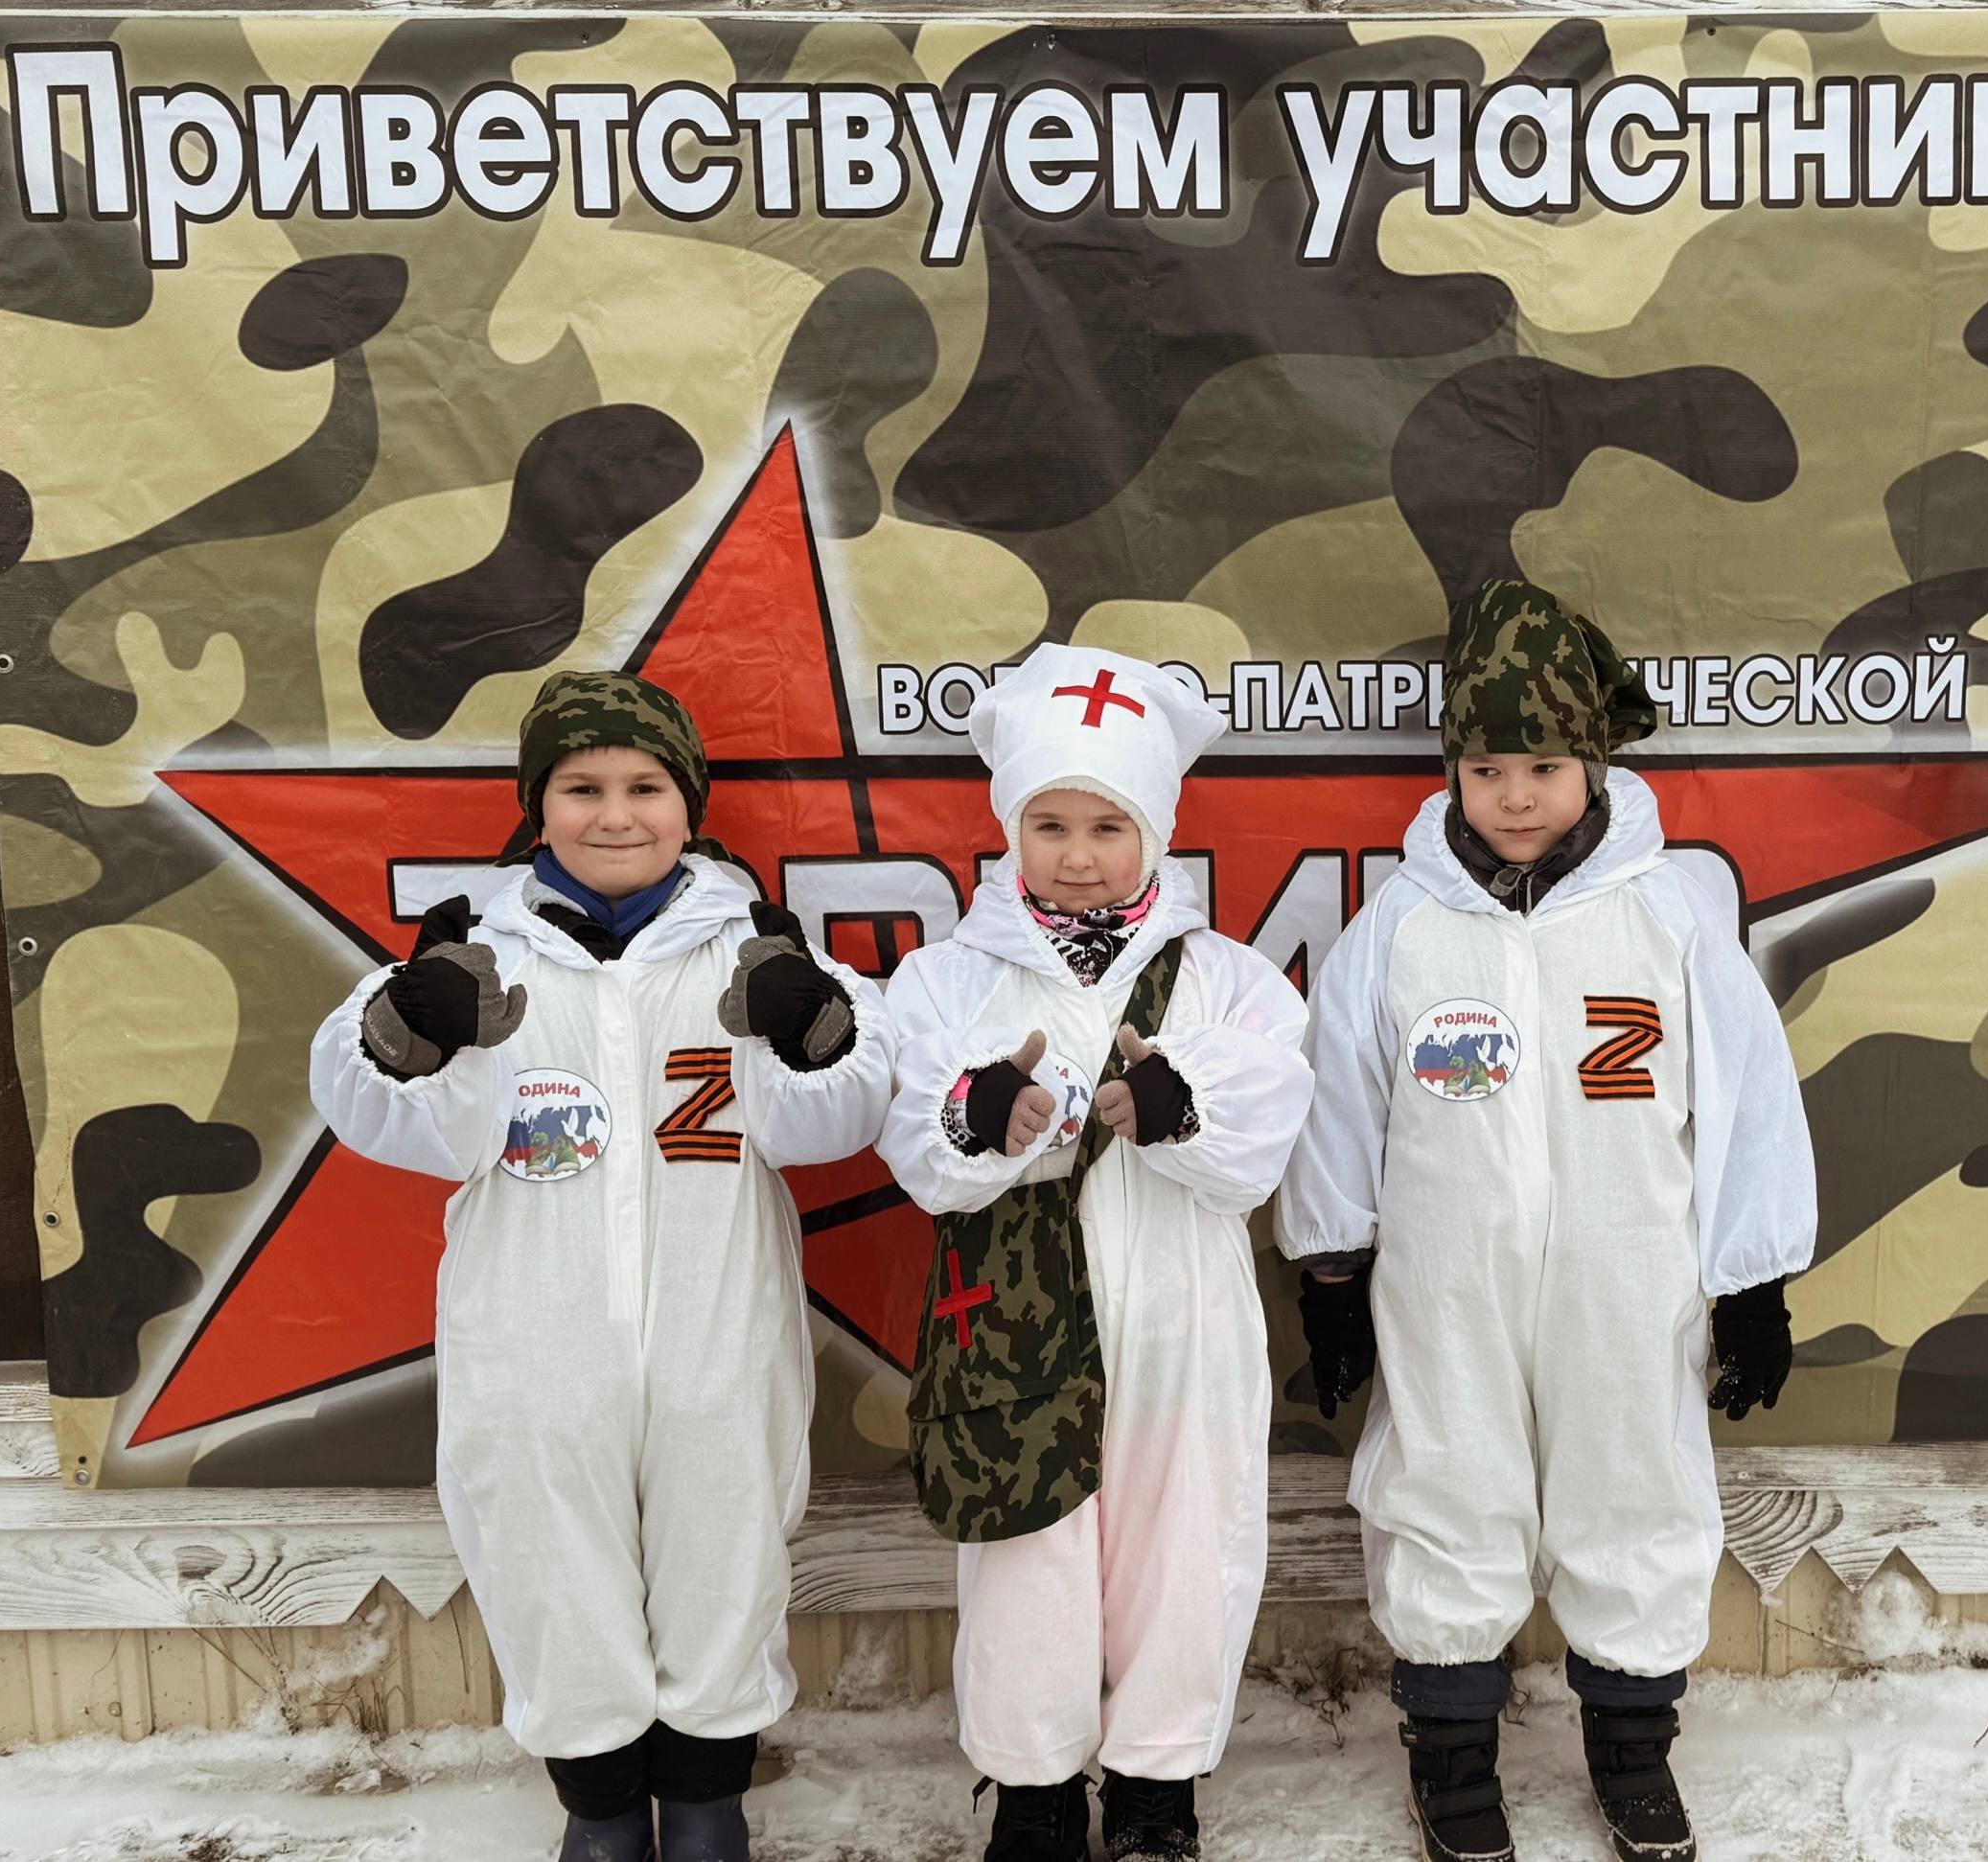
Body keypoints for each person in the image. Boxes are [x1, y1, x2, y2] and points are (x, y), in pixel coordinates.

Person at [310, 671, 894, 1862]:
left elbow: (834, 1116)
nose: (615, 814)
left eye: (645, 786)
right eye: (580, 787)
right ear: (539, 804)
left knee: (724, 1549)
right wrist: (412, 1035)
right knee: (548, 1558)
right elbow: (389, 1116)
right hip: (535, 1334)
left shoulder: (753, 946)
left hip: (716, 1326)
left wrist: (810, 1028)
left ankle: (708, 1803)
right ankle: (602, 1810)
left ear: (689, 805)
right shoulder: (476, 951)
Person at [1279, 579, 1815, 1862]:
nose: (1514, 797)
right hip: (1445, 1282)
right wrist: (1332, 1272)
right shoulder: (1401, 927)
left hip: (1627, 1280)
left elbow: (1746, 1097)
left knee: (1632, 1480)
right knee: (1444, 1479)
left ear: (1593, 764)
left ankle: (1631, 1747)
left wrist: (1751, 1279)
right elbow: (1338, 1102)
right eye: (1485, 770)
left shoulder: (1666, 915)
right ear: (1449, 772)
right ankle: (1451, 1750)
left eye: (1542, 767)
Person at [877, 646, 1313, 1862]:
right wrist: (979, 1116)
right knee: (1028, 1548)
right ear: (1010, 827)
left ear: (1154, 831)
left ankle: (1156, 1781)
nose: (1077, 854)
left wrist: (1181, 1105)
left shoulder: (1223, 977)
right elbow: (914, 1135)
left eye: (1107, 825)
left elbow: (1266, 1123)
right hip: (1008, 1319)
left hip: (1179, 1308)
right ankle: (1032, 1785)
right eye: (1050, 823)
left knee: (1184, 1535)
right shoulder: (945, 978)